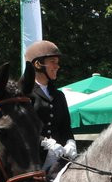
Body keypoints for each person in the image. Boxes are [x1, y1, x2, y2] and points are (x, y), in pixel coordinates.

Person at [24, 40, 76, 171]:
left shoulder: (59, 95)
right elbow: (24, 128)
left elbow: (65, 127)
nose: (57, 66)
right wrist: (45, 142)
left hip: (60, 159)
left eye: (57, 63)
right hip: (33, 162)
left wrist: (71, 142)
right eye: (53, 62)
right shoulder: (24, 94)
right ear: (38, 64)